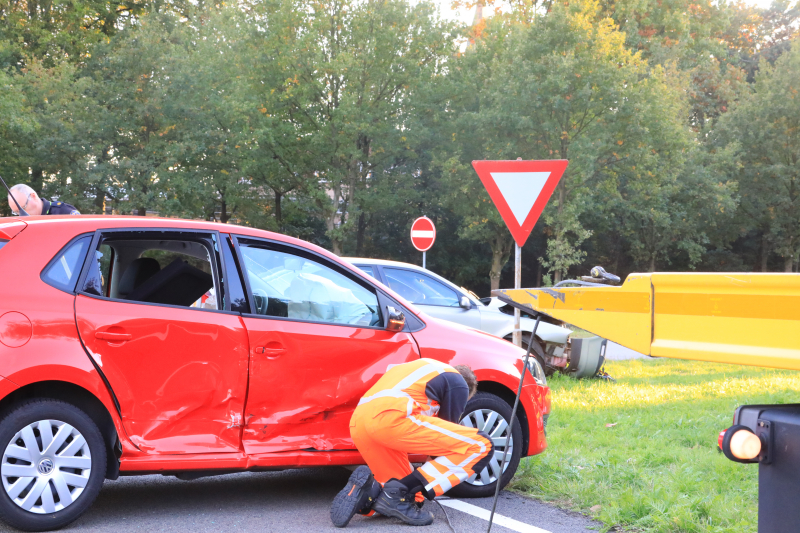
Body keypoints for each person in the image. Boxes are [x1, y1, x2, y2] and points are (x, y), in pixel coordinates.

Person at [330, 358, 494, 527]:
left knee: (410, 496)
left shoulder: (422, 371)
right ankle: (394, 493)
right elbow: (443, 447)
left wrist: (417, 487)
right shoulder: (458, 383)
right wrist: (432, 480)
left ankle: (367, 498)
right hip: (391, 418)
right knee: (480, 445)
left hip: (360, 423)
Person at [7, 184, 80, 216]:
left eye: (23, 208)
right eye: (16, 212)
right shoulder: (22, 226)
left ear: (33, 196)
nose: (21, 215)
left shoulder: (64, 212)